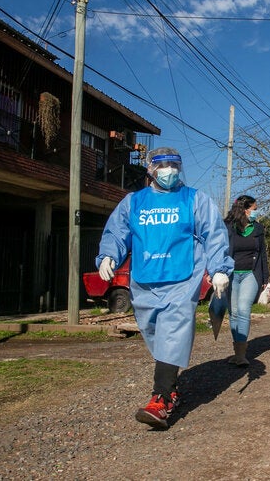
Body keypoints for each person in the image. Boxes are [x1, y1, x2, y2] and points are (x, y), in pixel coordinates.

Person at [96, 147, 234, 429]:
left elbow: (214, 234)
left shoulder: (194, 199)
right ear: (150, 169)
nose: (169, 170)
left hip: (182, 277)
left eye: (174, 164)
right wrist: (109, 255)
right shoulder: (134, 202)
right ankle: (170, 386)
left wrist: (219, 269)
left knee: (173, 330)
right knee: (156, 335)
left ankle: (161, 399)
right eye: (162, 165)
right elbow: (117, 232)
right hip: (145, 280)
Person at [209, 195, 269, 367]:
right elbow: (218, 250)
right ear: (245, 210)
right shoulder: (227, 226)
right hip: (231, 275)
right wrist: (214, 271)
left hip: (251, 274)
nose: (256, 212)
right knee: (233, 312)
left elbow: (263, 253)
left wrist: (265, 277)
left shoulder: (258, 228)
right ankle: (238, 352)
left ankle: (242, 355)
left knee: (243, 309)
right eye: (254, 209)